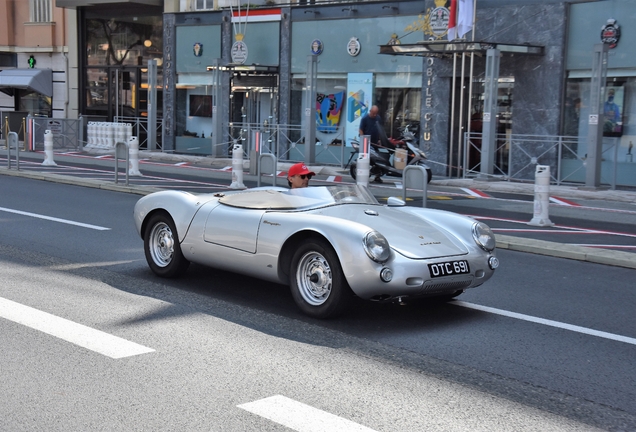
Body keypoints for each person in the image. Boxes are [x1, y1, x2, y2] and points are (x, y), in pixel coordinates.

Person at [358, 105, 384, 183]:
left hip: (375, 142)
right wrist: (363, 140)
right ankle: (365, 175)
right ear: (370, 111)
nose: (375, 115)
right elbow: (361, 129)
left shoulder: (378, 118)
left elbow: (380, 129)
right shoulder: (365, 119)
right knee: (367, 159)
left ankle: (377, 176)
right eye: (373, 113)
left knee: (379, 159)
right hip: (367, 143)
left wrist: (379, 139)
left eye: (376, 113)